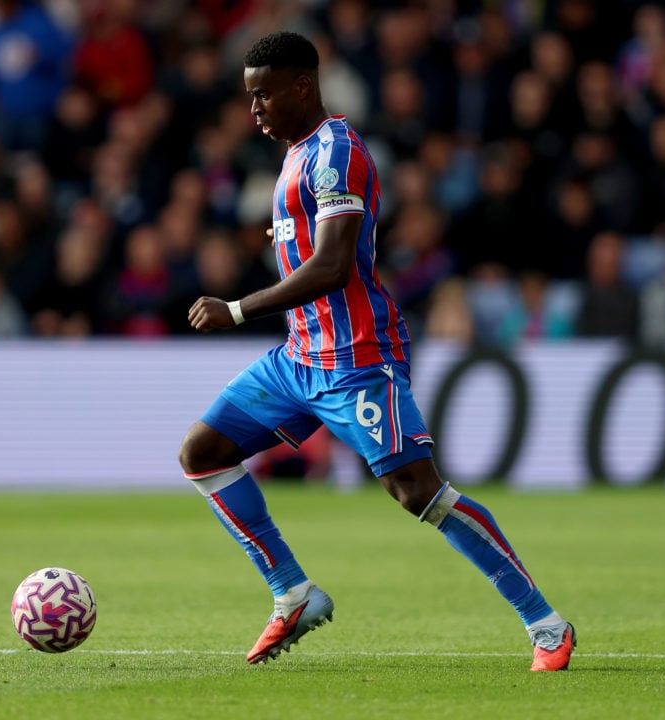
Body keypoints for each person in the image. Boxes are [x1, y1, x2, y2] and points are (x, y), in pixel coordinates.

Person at [178, 31, 574, 671]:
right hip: (299, 356)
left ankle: (545, 622)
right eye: (249, 98)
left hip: (358, 356)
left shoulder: (337, 153)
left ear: (301, 86)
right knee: (203, 452)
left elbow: (334, 265)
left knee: (418, 492)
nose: (253, 110)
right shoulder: (293, 154)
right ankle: (292, 592)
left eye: (262, 95)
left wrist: (238, 308)